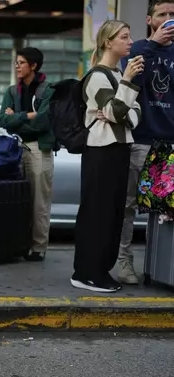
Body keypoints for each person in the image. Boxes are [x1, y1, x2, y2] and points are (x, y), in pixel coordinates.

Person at [72, 20, 144, 293]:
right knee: (98, 213)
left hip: (119, 148)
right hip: (101, 150)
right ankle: (86, 273)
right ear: (107, 42)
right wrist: (125, 87)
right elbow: (116, 113)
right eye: (124, 37)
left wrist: (121, 111)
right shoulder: (99, 76)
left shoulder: (115, 73)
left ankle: (100, 270)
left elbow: (133, 115)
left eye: (128, 36)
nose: (129, 41)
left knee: (113, 213)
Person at [117, 0, 174, 284]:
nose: (168, 19)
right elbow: (130, 78)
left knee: (165, 209)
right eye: (162, 14)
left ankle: (157, 266)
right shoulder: (138, 48)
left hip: (169, 145)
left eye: (173, 15)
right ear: (150, 19)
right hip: (140, 140)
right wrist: (153, 43)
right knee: (127, 205)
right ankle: (124, 262)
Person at [0, 47, 55, 262]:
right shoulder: (12, 92)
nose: (17, 66)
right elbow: (4, 121)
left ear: (33, 66)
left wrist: (18, 118)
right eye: (16, 62)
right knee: (15, 200)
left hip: (39, 149)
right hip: (15, 149)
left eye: (21, 62)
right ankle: (19, 244)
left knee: (39, 202)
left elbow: (44, 121)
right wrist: (28, 116)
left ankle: (38, 247)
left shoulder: (47, 90)